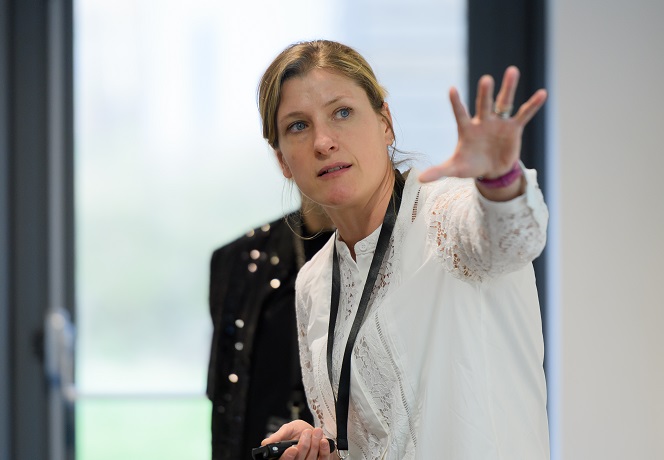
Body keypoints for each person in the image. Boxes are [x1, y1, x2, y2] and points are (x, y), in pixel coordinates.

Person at [258, 39, 550, 459]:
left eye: (342, 113)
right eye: (298, 126)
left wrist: (500, 181)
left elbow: (513, 239)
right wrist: (323, 449)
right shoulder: (313, 283)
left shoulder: (446, 216)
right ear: (283, 160)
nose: (323, 141)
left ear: (385, 123)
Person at [207, 200, 334, 460]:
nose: (326, 156)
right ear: (282, 160)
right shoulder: (237, 261)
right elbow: (226, 398)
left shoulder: (415, 248)